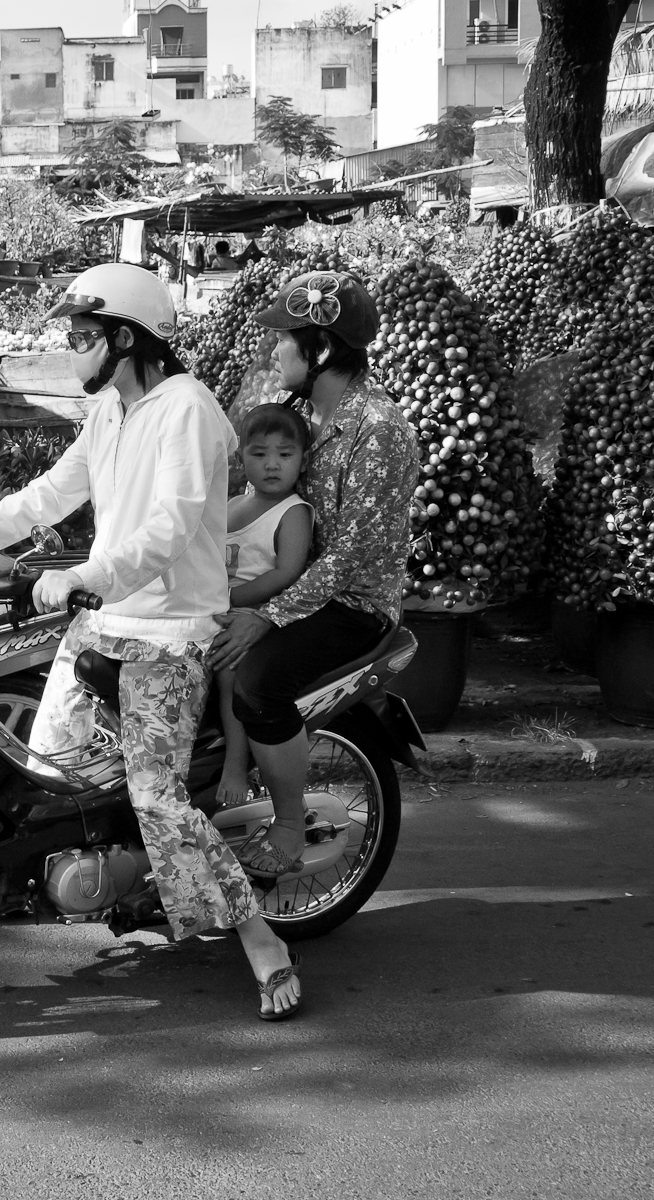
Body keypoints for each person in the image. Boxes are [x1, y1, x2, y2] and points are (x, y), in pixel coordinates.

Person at [0, 262, 304, 1021]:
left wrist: (89, 573)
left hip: (169, 633)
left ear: (125, 336)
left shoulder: (188, 409)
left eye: (83, 336)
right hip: (104, 619)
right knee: (41, 763)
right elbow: (49, 495)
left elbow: (173, 526)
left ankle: (258, 936)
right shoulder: (110, 410)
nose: (74, 349)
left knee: (156, 795)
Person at [207, 271, 415, 877]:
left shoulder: (377, 431)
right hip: (286, 582)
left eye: (286, 340)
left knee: (258, 684)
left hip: (352, 604)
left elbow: (348, 555)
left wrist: (265, 616)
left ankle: (291, 823)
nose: (275, 352)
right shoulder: (303, 416)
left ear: (320, 348)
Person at [215, 404, 314, 808]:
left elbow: (285, 573)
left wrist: (231, 598)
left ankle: (235, 765)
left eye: (284, 455)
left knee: (228, 673)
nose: (272, 465)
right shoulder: (231, 507)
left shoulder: (293, 513)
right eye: (259, 454)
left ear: (302, 460)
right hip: (212, 608)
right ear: (242, 460)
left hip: (255, 615)